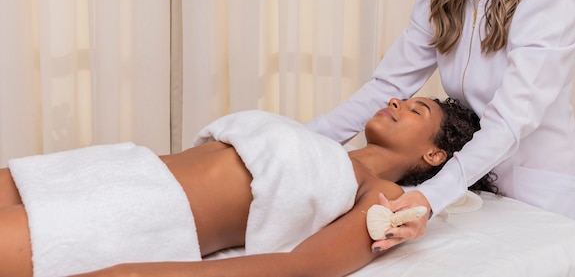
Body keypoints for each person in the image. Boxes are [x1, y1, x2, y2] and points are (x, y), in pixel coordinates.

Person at [306, 0, 575, 253]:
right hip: (475, 184)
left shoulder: (550, 4)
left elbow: (509, 121)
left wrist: (431, 196)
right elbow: (387, 86)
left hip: (538, 190)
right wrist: (302, 142)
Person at [0, 97, 494, 277]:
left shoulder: (383, 197)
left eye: (417, 109)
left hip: (132, 214)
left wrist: (136, 274)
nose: (397, 100)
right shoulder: (317, 143)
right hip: (110, 168)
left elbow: (301, 268)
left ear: (435, 155)